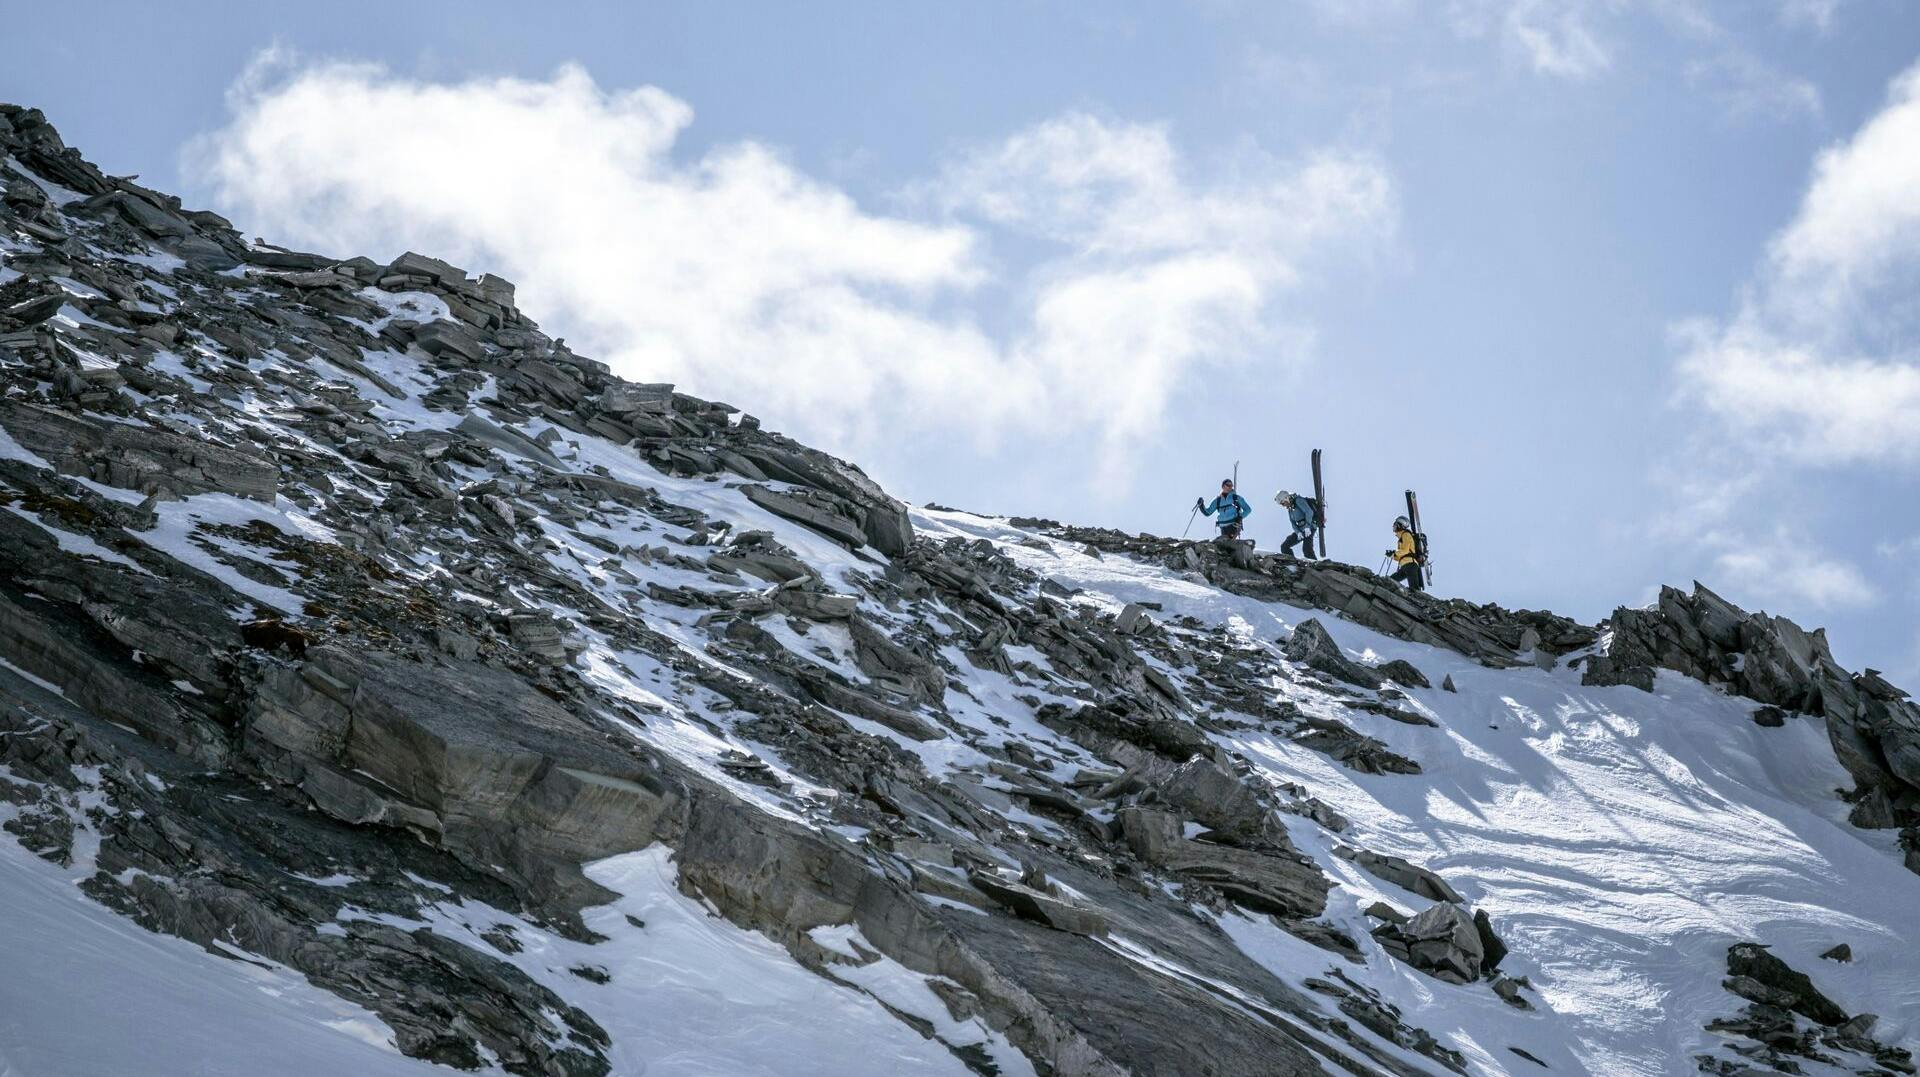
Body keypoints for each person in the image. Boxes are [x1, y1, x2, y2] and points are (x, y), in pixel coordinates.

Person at [1273, 491, 1318, 559]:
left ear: (1286, 498)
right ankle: (1291, 562)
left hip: (1310, 528)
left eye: (1283, 503)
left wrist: (1307, 527)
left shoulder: (1298, 500)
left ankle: (1315, 566)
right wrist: (1298, 532)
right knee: (1284, 546)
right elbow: (1293, 523)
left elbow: (1309, 512)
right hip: (1301, 530)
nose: (1283, 505)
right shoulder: (1290, 509)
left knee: (1307, 549)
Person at [1386, 515, 1425, 592]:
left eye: (1395, 524)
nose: (1393, 526)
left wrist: (1394, 553)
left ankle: (1418, 602)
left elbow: (1405, 550)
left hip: (1410, 564)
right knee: (1390, 581)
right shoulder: (1401, 538)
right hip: (1405, 565)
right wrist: (1392, 555)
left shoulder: (1406, 534)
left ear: (1399, 525)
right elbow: (1401, 556)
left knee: (1415, 590)